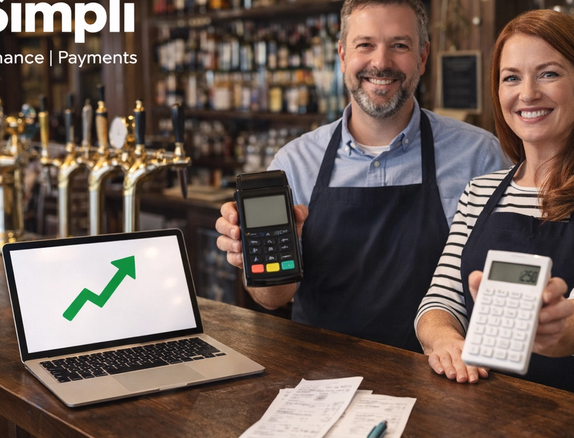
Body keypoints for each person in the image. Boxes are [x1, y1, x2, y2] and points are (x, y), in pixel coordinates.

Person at [216, 0, 507, 352]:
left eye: (399, 45)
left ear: (423, 56)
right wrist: (252, 256)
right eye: (364, 44)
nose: (381, 62)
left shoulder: (479, 155)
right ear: (342, 55)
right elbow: (272, 299)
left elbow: (500, 283)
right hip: (320, 379)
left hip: (441, 373)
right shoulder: (295, 161)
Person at [414, 9, 574, 401]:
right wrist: (444, 340)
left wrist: (552, 325)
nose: (527, 93)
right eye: (511, 77)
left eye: (548, 73)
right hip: (489, 408)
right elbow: (440, 302)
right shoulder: (480, 191)